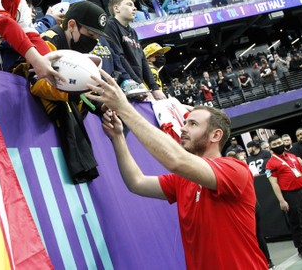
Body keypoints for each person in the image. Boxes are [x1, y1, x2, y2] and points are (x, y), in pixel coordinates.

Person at [84, 71, 267, 269]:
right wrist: (118, 138)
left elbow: (176, 160)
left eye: (193, 124)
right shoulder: (183, 180)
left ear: (215, 135)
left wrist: (125, 109)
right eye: (185, 121)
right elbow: (136, 182)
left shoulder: (234, 169)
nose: (183, 128)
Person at [29, 0, 109, 183]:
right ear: (71, 24)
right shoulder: (48, 41)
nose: (94, 41)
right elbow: (35, 82)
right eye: (90, 34)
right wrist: (71, 92)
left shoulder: (78, 50)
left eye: (97, 37)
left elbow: (83, 85)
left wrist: (101, 105)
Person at [104, 0, 166, 100]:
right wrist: (138, 84)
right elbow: (119, 57)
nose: (135, 8)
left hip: (138, 84)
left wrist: (154, 88)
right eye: (129, 4)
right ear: (116, 8)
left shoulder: (132, 31)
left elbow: (143, 60)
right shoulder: (110, 25)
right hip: (125, 86)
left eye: (134, 5)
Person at [265, 134, 302, 259]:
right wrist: (282, 201)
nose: (278, 146)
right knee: (297, 222)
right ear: (271, 148)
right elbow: (274, 183)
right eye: (275, 145)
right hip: (290, 194)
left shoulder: (293, 157)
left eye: (279, 143)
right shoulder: (270, 164)